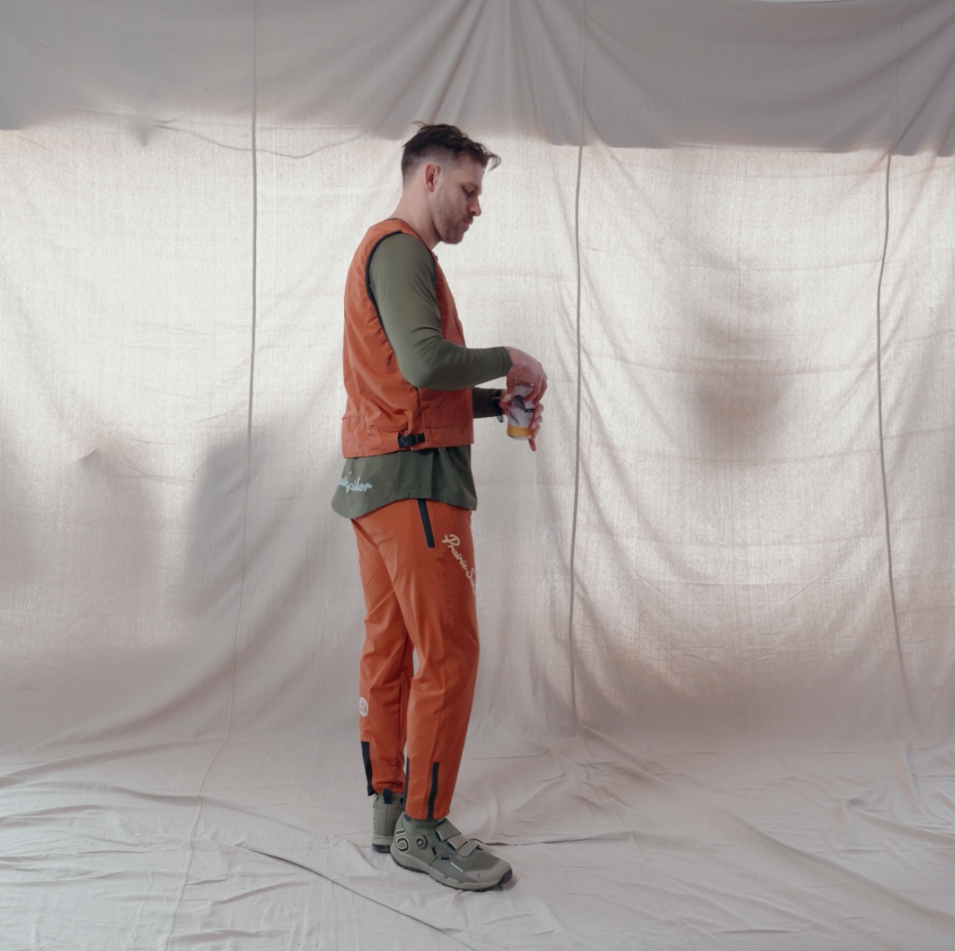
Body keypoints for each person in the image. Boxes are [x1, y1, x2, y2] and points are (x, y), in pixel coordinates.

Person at [331, 123, 547, 891]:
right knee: (450, 653)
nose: (475, 206)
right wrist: (511, 357)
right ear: (428, 176)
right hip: (416, 488)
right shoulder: (401, 252)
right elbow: (426, 362)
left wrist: (493, 402)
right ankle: (424, 828)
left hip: (375, 481)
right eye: (468, 189)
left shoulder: (383, 252)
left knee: (390, 647)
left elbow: (409, 386)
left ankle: (391, 809)